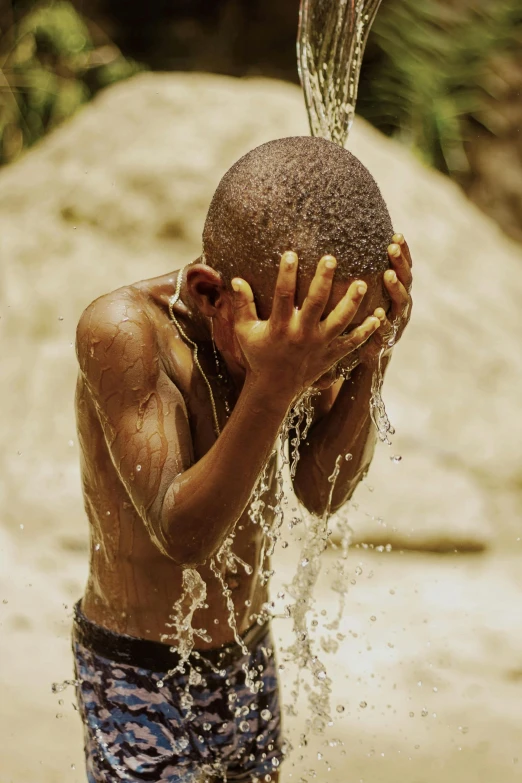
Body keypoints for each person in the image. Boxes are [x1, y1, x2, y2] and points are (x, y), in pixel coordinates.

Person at [72, 136, 413, 783]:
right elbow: (183, 532)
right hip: (138, 670)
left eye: (332, 359)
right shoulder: (124, 332)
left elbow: (322, 491)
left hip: (246, 655)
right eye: (313, 365)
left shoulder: (300, 338)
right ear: (209, 292)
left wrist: (371, 360)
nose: (317, 377)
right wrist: (274, 384)